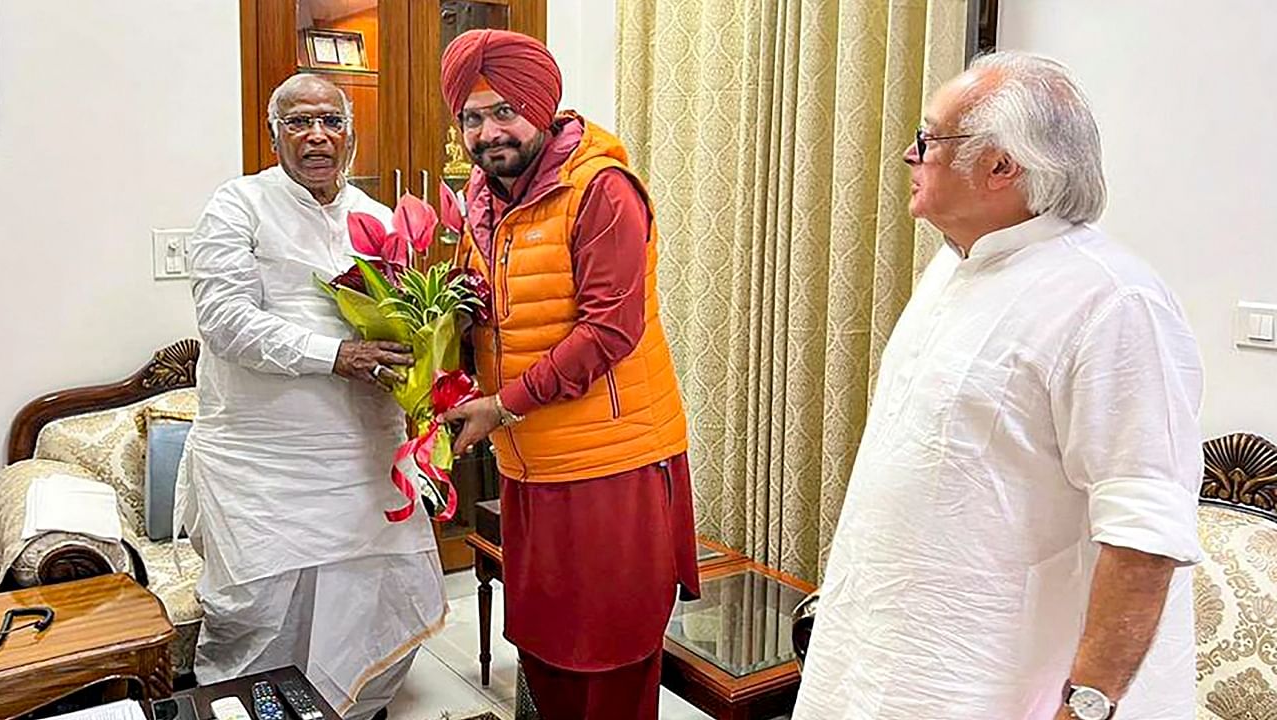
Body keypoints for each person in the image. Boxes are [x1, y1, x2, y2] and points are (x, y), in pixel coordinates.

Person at [792, 51, 1203, 720]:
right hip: (889, 653)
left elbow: (1145, 537)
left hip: (997, 681)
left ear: (1001, 166)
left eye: (928, 139)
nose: (908, 154)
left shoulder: (1115, 302)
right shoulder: (954, 268)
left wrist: (1089, 706)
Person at [436, 29, 700, 720]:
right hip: (530, 464)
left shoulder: (602, 190)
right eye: (471, 116)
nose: (488, 131)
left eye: (504, 111)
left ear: (543, 108)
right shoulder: (481, 200)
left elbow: (609, 331)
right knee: (547, 650)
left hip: (610, 465)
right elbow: (486, 309)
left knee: (608, 660)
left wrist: (502, 404)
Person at [183, 73, 445, 720]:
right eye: (299, 123)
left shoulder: (379, 219)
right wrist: (336, 355)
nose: (317, 136)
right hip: (263, 470)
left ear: (351, 133)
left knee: (375, 603)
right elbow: (225, 321)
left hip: (363, 463)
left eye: (330, 121)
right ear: (274, 135)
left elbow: (406, 327)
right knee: (260, 621)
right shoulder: (237, 205)